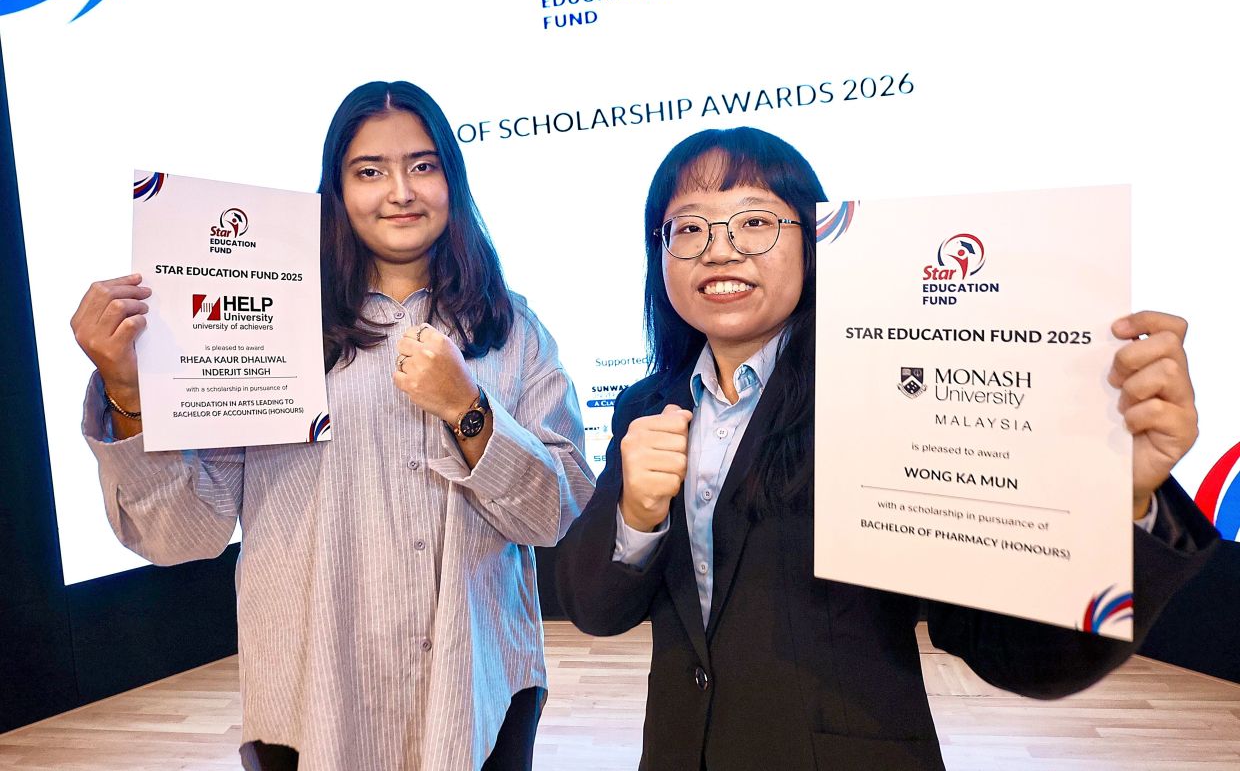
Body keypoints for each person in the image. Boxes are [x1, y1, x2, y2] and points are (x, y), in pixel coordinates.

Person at [555, 126, 1217, 770]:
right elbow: (596, 608)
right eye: (690, 227)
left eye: (755, 221)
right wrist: (636, 515)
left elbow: (1018, 650)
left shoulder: (886, 398)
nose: (720, 250)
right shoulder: (647, 406)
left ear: (814, 243)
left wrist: (1121, 497)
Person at [72, 81, 595, 771]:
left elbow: (557, 511)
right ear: (336, 189)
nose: (400, 191)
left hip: (478, 696)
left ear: (452, 179)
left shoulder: (512, 331)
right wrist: (128, 389)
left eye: (424, 164)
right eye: (369, 171)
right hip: (314, 704)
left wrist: (468, 409)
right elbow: (184, 531)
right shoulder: (270, 330)